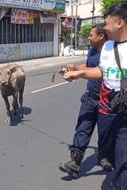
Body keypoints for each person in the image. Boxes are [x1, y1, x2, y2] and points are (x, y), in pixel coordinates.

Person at [62, 3, 127, 189]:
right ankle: (92, 159)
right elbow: (102, 71)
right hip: (107, 106)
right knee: (105, 143)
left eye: (106, 24)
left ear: (120, 23)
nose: (104, 28)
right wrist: (78, 73)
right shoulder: (107, 47)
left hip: (125, 111)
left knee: (124, 155)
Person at [58, 23, 112, 178]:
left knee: (105, 132)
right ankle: (74, 163)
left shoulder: (112, 53)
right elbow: (89, 66)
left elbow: (100, 72)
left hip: (107, 101)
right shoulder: (93, 50)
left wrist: (78, 73)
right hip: (90, 98)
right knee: (83, 128)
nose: (88, 37)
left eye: (91, 35)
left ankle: (104, 157)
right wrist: (74, 68)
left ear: (101, 36)